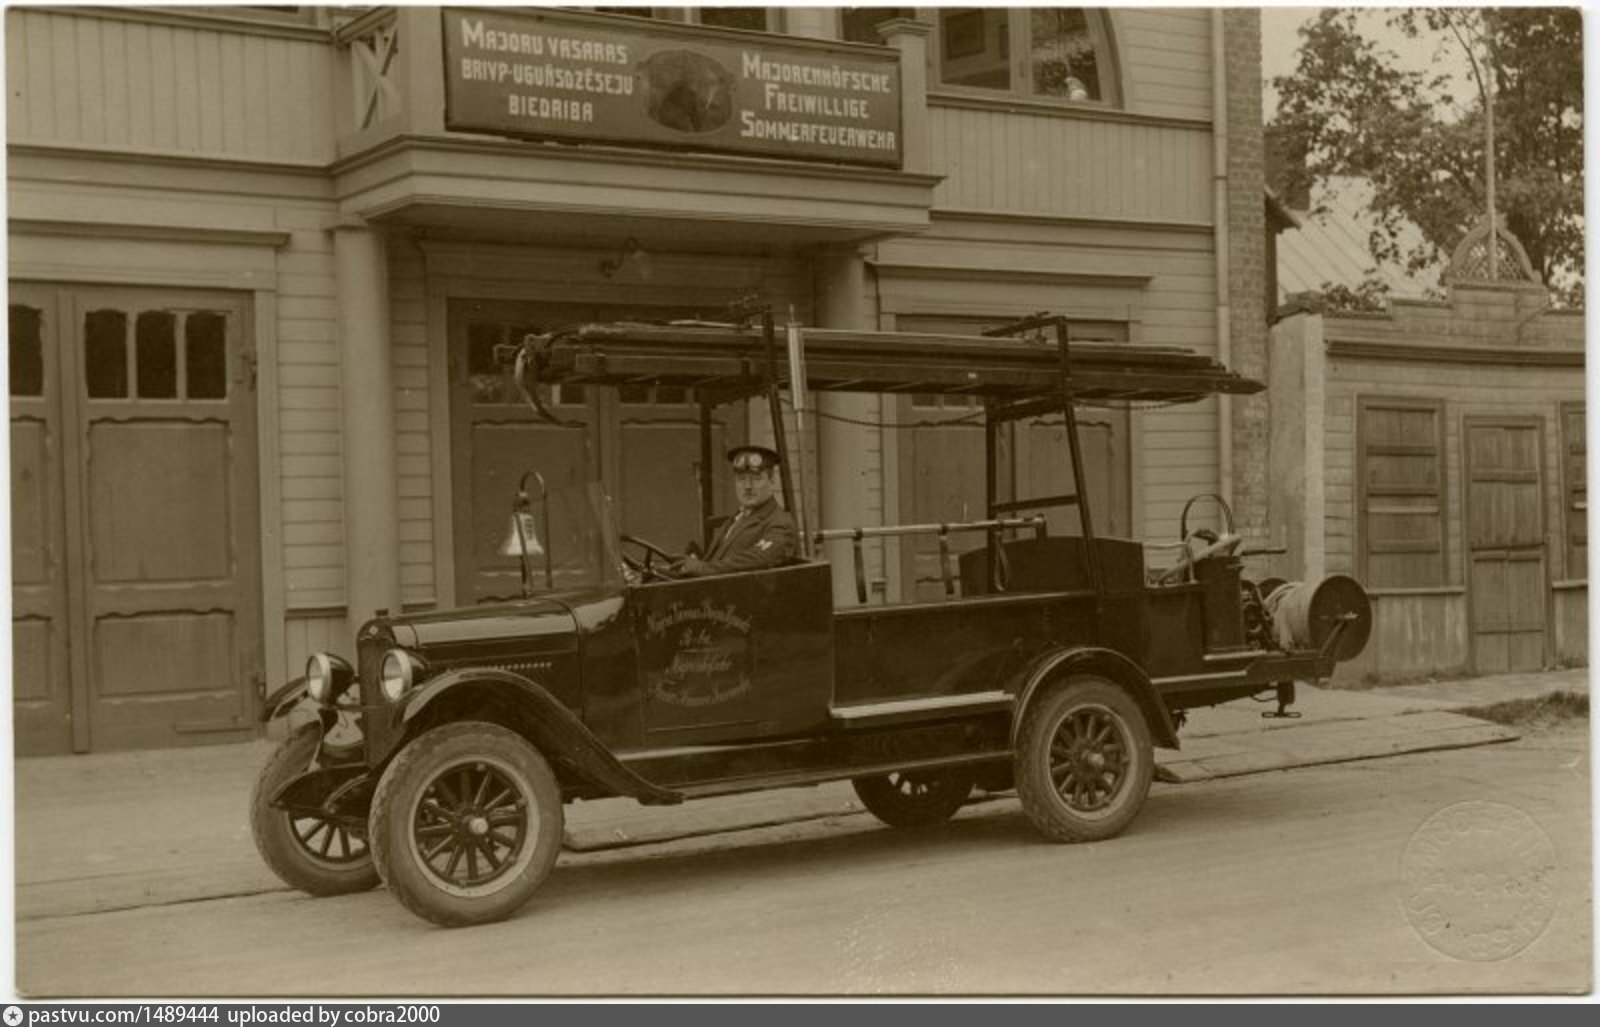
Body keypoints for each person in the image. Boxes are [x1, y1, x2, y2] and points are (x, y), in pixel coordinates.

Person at [675, 445, 798, 576]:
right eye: (741, 479)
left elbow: (756, 560)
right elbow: (719, 562)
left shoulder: (780, 524)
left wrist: (702, 568)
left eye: (756, 479)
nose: (748, 486)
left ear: (772, 480)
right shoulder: (738, 518)